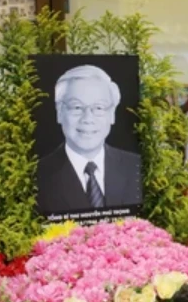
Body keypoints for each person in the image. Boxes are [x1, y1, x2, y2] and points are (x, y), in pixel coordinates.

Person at [37, 65, 141, 214]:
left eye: (98, 108)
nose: (87, 118)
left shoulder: (137, 168)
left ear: (112, 114)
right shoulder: (36, 176)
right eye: (77, 107)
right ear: (59, 112)